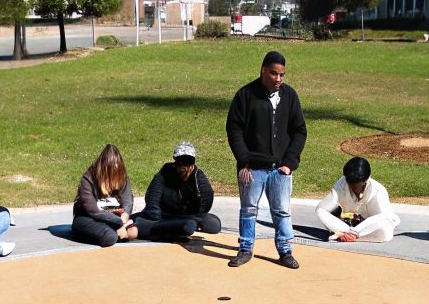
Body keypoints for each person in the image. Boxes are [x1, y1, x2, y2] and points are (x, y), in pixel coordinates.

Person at [225, 50, 306, 268]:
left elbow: (299, 131)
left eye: (282, 75)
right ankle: (245, 249)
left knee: (281, 211)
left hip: (280, 169)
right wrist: (243, 161)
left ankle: (285, 251)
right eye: (274, 74)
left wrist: (290, 162)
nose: (278, 79)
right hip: (252, 168)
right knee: (249, 209)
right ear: (263, 71)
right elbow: (234, 130)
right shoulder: (245, 95)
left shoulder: (289, 96)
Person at [139, 142, 222, 240]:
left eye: (187, 162)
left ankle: (178, 226)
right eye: (179, 162)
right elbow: (152, 199)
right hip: (163, 215)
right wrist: (155, 216)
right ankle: (170, 227)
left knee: (213, 224)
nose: (182, 167)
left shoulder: (198, 177)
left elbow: (206, 203)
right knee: (142, 218)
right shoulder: (165, 173)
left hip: (189, 217)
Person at [315, 157, 400, 243]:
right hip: (347, 228)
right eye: (350, 185)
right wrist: (344, 229)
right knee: (320, 211)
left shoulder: (379, 191)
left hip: (370, 227)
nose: (354, 190)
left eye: (356, 186)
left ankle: (349, 235)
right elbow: (321, 210)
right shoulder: (341, 185)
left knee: (385, 231)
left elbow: (386, 218)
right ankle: (346, 234)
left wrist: (356, 231)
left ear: (366, 181)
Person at [69, 145, 139, 247]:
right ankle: (108, 234)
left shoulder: (122, 177)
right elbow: (93, 211)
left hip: (114, 218)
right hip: (89, 218)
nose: (114, 174)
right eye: (111, 171)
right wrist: (118, 222)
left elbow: (127, 200)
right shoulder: (88, 179)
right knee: (110, 237)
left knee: (133, 232)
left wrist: (125, 215)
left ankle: (116, 233)